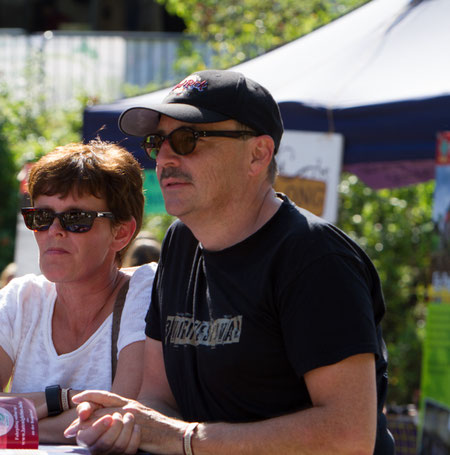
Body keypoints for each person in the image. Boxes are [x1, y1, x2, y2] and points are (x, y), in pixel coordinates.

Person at [65, 70, 395, 454]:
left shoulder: (315, 259)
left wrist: (185, 438)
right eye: (157, 142)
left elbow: (349, 434)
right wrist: (126, 424)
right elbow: (158, 399)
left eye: (188, 139)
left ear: (258, 154)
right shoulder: (181, 242)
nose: (165, 158)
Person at [0, 140, 156, 443]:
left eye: (76, 219)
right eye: (41, 217)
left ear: (121, 233)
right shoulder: (21, 299)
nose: (54, 231)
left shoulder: (143, 291)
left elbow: (118, 418)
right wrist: (61, 400)